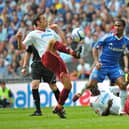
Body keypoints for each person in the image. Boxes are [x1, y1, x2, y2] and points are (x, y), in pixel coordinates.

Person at [16, 14, 82, 118]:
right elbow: (22, 48)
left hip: (56, 59)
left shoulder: (50, 31)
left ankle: (59, 107)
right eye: (43, 19)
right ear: (37, 22)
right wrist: (19, 39)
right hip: (46, 58)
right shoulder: (33, 34)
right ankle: (74, 53)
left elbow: (62, 42)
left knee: (68, 86)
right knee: (52, 42)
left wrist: (57, 29)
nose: (46, 20)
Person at [73, 18, 129, 115]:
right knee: (91, 84)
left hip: (115, 67)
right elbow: (95, 48)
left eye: (119, 25)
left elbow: (126, 53)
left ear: (123, 27)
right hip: (102, 65)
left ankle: (121, 110)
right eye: (115, 25)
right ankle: (79, 93)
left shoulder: (126, 41)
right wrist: (96, 62)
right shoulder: (107, 37)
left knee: (123, 85)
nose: (116, 27)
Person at [20, 23, 67, 116]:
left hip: (48, 64)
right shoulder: (32, 38)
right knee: (34, 85)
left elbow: (61, 42)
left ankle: (60, 108)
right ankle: (38, 110)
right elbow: (28, 53)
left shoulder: (48, 36)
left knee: (53, 86)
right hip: (36, 64)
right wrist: (24, 66)